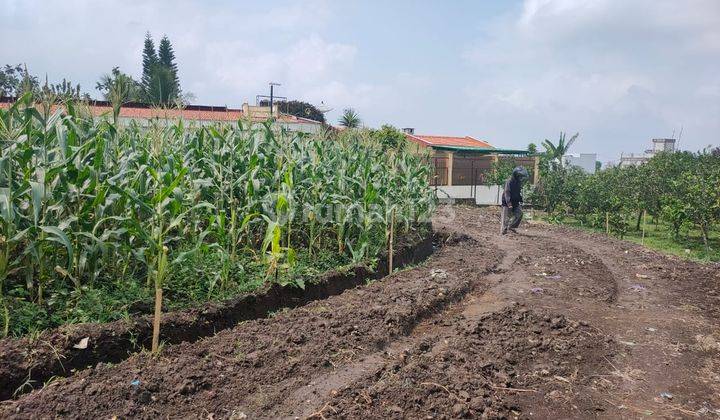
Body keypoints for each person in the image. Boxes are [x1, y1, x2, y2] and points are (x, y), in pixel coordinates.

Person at [501, 166, 529, 234]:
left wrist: (521, 199)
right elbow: (507, 193)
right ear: (516, 175)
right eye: (520, 176)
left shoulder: (518, 182)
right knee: (506, 217)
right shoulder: (509, 181)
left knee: (519, 214)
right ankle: (503, 230)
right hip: (507, 202)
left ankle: (511, 227)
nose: (521, 178)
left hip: (515, 202)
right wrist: (509, 203)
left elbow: (517, 192)